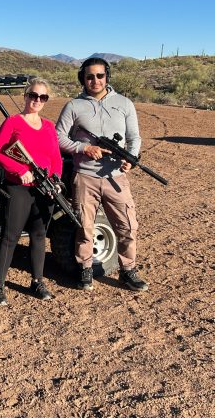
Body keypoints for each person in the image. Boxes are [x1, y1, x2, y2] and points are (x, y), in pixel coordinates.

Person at [56, 57, 149, 292]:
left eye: (99, 75)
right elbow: (58, 137)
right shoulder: (74, 106)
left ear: (107, 76)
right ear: (82, 78)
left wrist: (131, 158)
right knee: (85, 227)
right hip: (85, 176)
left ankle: (128, 271)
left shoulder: (124, 103)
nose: (95, 80)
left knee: (127, 226)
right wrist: (83, 148)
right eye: (89, 76)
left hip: (116, 177)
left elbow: (134, 138)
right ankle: (85, 269)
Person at [0, 77, 63, 306]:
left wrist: (57, 181)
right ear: (25, 96)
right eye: (33, 95)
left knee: (39, 235)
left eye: (42, 97)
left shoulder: (49, 126)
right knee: (10, 237)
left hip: (45, 188)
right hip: (19, 187)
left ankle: (37, 281)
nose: (37, 100)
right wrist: (20, 170)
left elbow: (56, 157)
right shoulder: (13, 122)